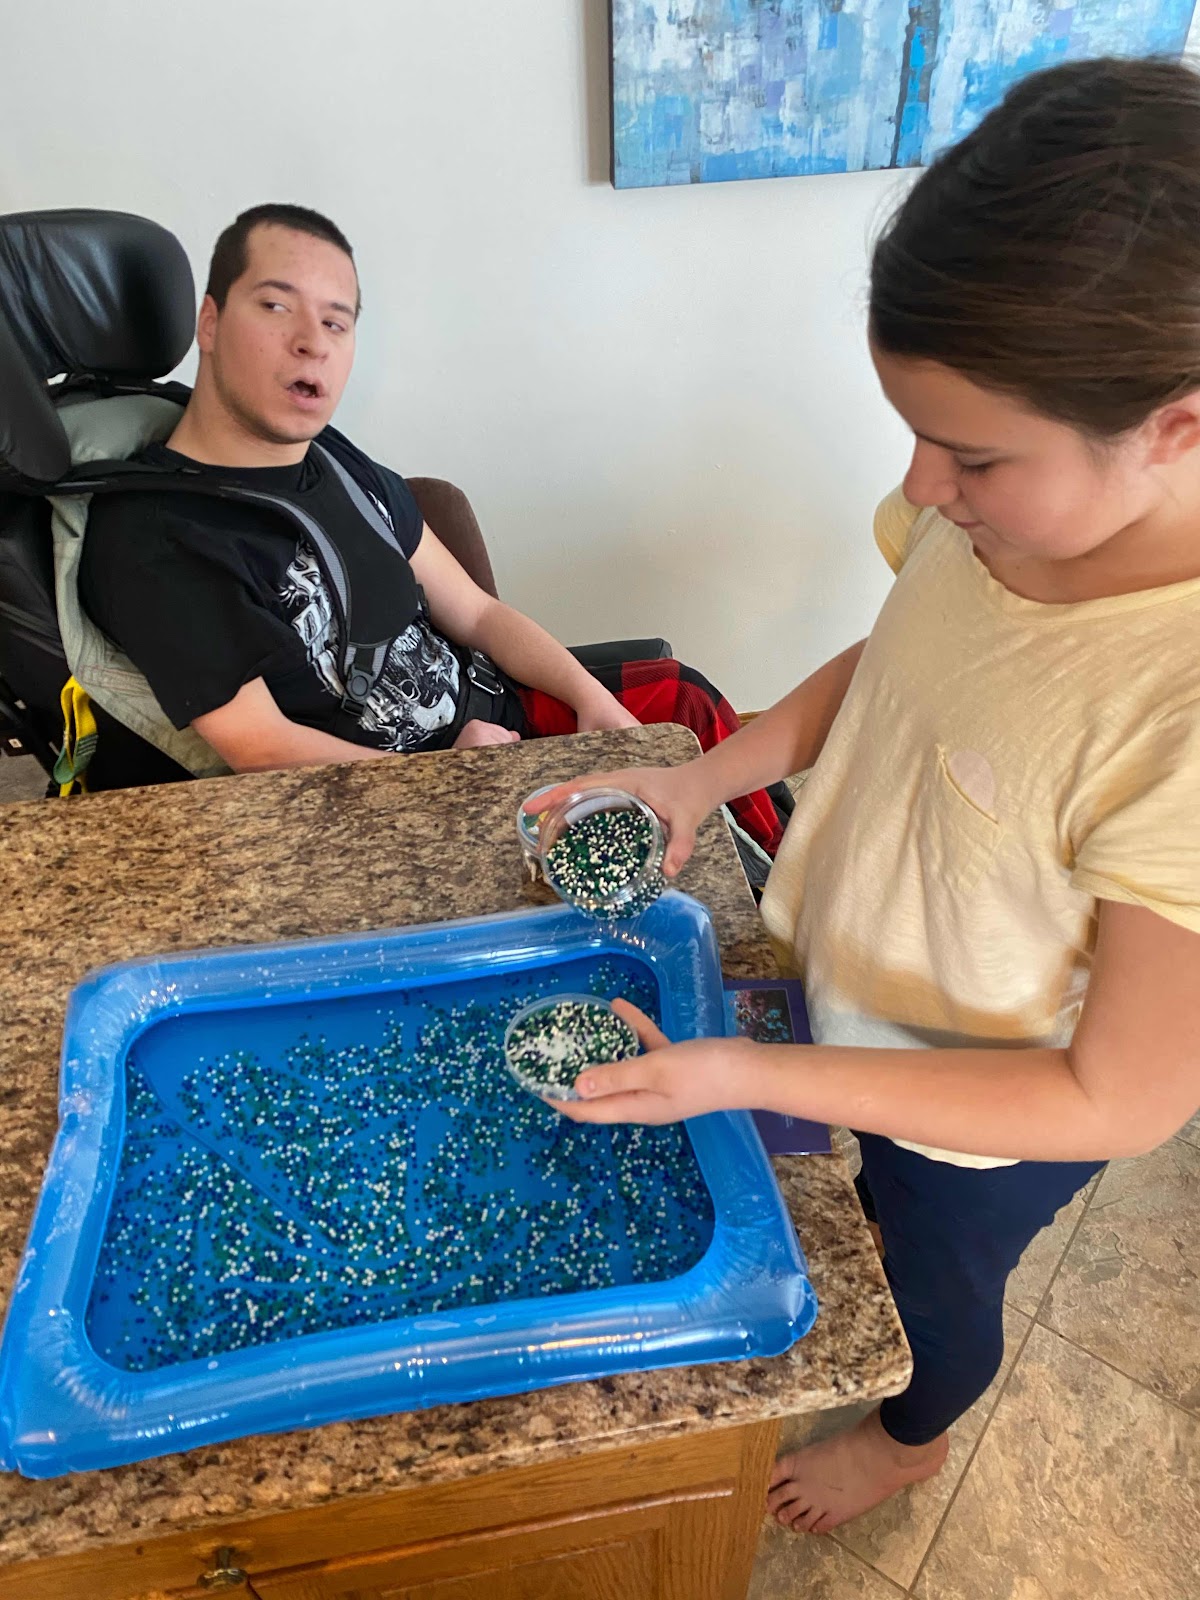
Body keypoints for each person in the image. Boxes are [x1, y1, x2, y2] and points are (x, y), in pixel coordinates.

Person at [533, 57, 1200, 1534]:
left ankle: (910, 1440)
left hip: (982, 1123)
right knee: (848, 1196)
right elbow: (897, 661)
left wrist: (745, 1074)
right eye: (915, 429)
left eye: (972, 454)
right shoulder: (993, 524)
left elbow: (1123, 1091)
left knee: (927, 1297)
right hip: (846, 994)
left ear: (1177, 423)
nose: (921, 483)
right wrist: (704, 775)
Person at [79, 203, 785, 854]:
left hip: (494, 719)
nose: (311, 343)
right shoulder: (157, 536)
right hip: (398, 803)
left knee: (681, 703)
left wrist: (588, 700)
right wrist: (450, 775)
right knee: (661, 856)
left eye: (336, 322)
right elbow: (259, 747)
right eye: (276, 306)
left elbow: (475, 612)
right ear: (209, 323)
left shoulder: (333, 460)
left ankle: (788, 889)